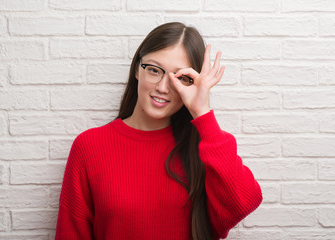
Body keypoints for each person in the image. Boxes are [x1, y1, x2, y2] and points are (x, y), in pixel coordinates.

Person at [55, 22, 262, 240]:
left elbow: (243, 202)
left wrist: (202, 112)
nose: (163, 87)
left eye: (180, 78)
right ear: (137, 69)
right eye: (154, 70)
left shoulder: (207, 148)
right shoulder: (90, 146)